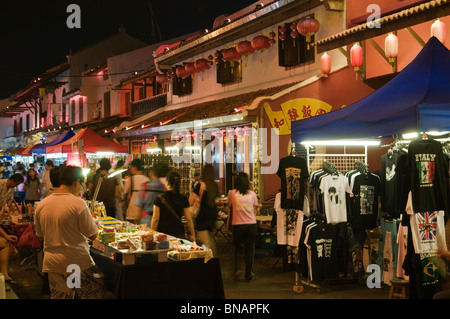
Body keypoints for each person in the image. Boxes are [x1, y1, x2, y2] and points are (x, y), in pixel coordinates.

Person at [34, 165, 105, 299]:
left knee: (63, 296)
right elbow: (92, 234)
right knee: (95, 288)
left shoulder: (42, 204)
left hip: (53, 263)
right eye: (82, 184)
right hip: (75, 262)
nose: (81, 188)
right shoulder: (77, 203)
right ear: (76, 182)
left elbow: (40, 235)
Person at [227, 172, 261, 282]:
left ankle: (237, 269)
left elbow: (228, 204)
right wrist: (258, 206)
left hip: (237, 225)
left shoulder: (233, 193)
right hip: (251, 224)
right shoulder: (252, 194)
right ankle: (248, 274)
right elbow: (257, 207)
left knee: (237, 249)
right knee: (249, 249)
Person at [152, 171, 195, 241]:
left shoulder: (159, 198)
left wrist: (152, 233)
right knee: (178, 251)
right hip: (179, 233)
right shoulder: (183, 198)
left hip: (163, 234)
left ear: (167, 183)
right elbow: (188, 219)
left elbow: (155, 219)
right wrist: (193, 234)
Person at [189, 164, 219, 253]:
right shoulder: (214, 186)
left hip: (202, 216)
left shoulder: (200, 185)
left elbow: (191, 201)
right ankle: (213, 258)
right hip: (212, 215)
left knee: (206, 243)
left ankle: (211, 261)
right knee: (208, 239)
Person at [123, 159, 149, 224]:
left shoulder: (130, 180)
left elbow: (124, 194)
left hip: (131, 212)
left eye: (131, 167)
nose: (130, 169)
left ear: (135, 167)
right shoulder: (147, 180)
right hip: (144, 214)